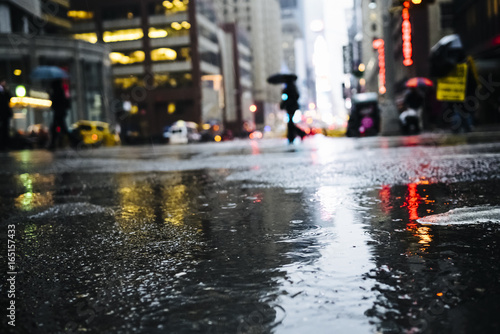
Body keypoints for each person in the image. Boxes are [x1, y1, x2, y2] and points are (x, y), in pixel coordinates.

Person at [48, 79, 71, 149]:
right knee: (58, 128)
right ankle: (52, 144)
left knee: (61, 129)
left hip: (58, 114)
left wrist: (50, 96)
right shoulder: (61, 91)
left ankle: (76, 141)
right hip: (60, 113)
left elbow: (53, 105)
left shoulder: (57, 92)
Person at [0, 79, 13, 150]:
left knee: (5, 129)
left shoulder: (5, 92)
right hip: (2, 113)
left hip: (5, 114)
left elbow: (10, 97)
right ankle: (3, 145)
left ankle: (5, 145)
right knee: (3, 129)